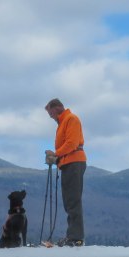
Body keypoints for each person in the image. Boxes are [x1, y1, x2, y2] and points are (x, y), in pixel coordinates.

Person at [44, 98, 86, 246]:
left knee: (73, 200)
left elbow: (72, 143)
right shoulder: (64, 122)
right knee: (69, 201)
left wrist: (55, 154)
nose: (51, 117)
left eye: (50, 114)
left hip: (74, 163)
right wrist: (57, 159)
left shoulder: (71, 119)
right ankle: (73, 236)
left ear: (56, 109)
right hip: (68, 163)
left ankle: (76, 237)